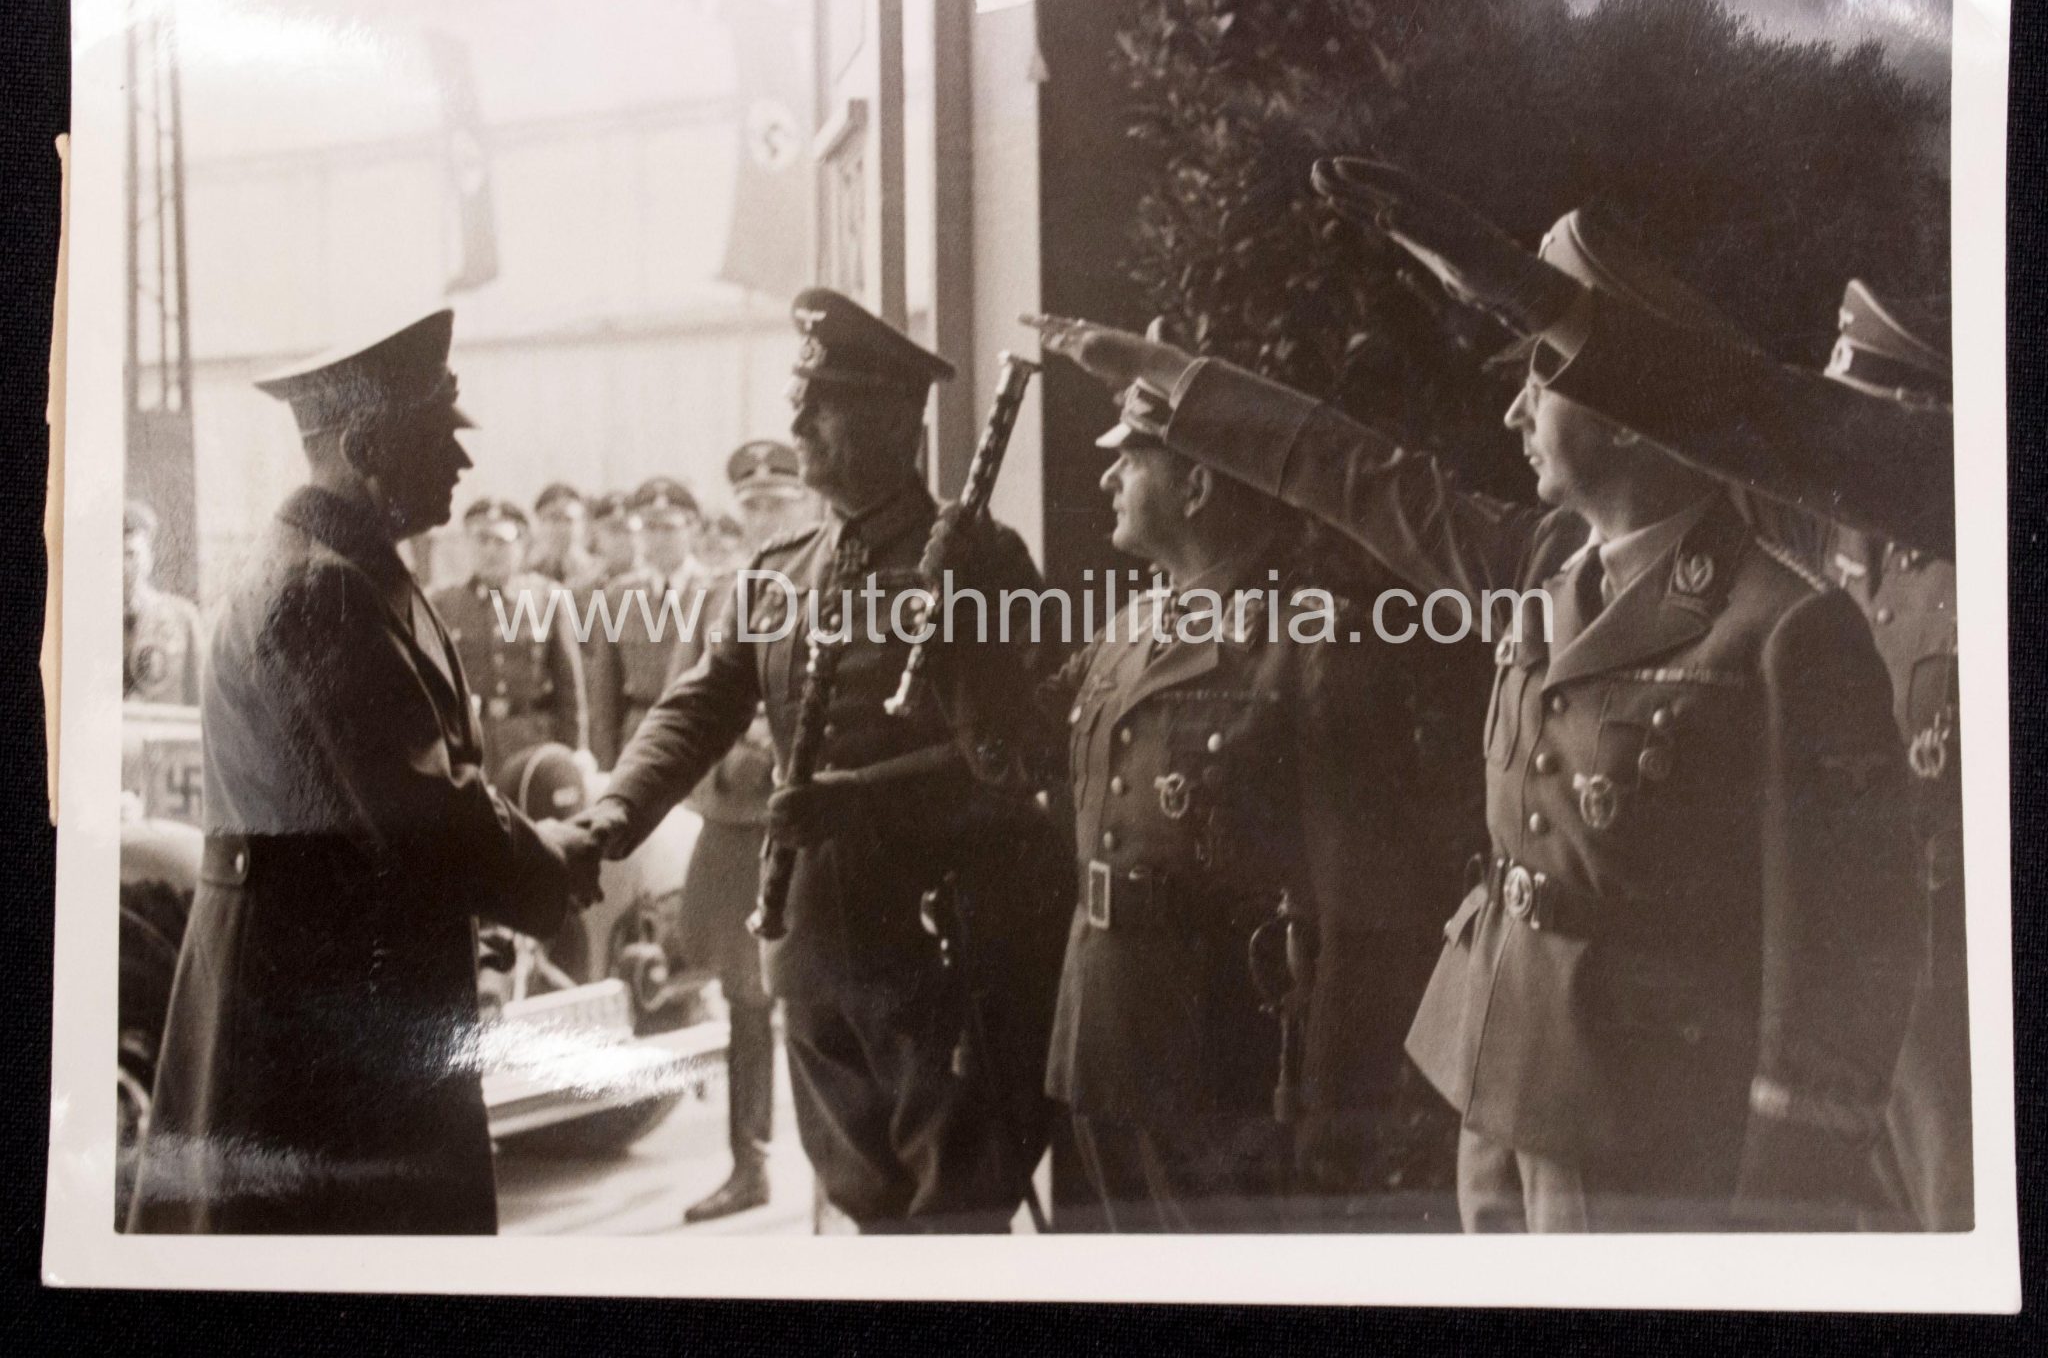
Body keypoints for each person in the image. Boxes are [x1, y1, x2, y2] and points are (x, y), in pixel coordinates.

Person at [1029, 207, 1922, 1233]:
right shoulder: (1540, 572)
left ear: (1623, 411)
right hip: (1497, 1076)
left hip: (1654, 1124)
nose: (1510, 417)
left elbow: (1851, 935)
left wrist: (1786, 1181)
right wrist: (1183, 386)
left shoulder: (1784, 629)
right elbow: (1362, 479)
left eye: (1533, 386)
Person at [563, 289, 1070, 1233]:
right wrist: (612, 815)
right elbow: (699, 706)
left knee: (956, 1214)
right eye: (799, 397)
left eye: (821, 401)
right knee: (862, 1206)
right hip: (816, 954)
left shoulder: (979, 562)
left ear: (889, 421)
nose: (796, 419)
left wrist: (869, 796)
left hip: (943, 948)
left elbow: (1025, 757)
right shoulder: (780, 569)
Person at [127, 309, 592, 1234]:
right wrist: (549, 864)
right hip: (315, 1020)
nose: (461, 464)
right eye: (439, 437)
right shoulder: (324, 586)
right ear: (367, 444)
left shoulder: (338, 566)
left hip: (326, 996)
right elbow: (419, 811)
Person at [996, 380, 1436, 1231]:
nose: (1106, 482)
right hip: (1103, 1029)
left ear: (1196, 486)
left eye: (1129, 460)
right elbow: (1021, 746)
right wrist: (949, 622)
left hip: (1230, 1055)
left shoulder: (1314, 640)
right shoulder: (1129, 628)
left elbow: (1366, 910)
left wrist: (1336, 1100)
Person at [1305, 156, 1956, 560]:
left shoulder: (1786, 566)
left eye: (1553, 370)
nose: (1512, 414)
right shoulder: (1570, 564)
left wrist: (1535, 298)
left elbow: (1775, 419)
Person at [1815, 280, 1969, 1232]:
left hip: (1945, 960)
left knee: (1955, 1204)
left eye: (1860, 426)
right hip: (1847, 950)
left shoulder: (1975, 566)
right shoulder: (1844, 540)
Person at [669, 440, 817, 1224]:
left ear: (805, 502)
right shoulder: (719, 596)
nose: (764, 515)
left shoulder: (832, 582)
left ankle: (844, 1172)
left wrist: (780, 745)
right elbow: (682, 705)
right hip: (734, 821)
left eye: (777, 502)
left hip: (809, 817)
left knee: (826, 989)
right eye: (752, 505)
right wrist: (729, 756)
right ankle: (749, 1162)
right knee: (743, 994)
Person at [432, 497, 589, 775]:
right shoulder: (443, 603)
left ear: (522, 545)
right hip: (469, 746)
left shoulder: (548, 598)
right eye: (482, 540)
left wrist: (573, 757)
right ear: (468, 544)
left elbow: (569, 692)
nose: (491, 551)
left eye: (503, 541)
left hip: (532, 741)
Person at [586, 477, 703, 768]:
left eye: (669, 528)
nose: (659, 539)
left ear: (693, 529)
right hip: (638, 739)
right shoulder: (618, 596)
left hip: (698, 736)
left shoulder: (717, 591)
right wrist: (605, 764)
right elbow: (604, 694)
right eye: (649, 528)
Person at [123, 499, 204, 706]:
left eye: (131, 554)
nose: (124, 566)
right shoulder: (90, 622)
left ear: (149, 558)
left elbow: (200, 698)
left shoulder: (182, 617)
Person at [529, 480, 597, 588]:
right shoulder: (529, 576)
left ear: (583, 525)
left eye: (568, 520)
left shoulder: (598, 576)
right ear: (539, 525)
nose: (561, 528)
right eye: (553, 518)